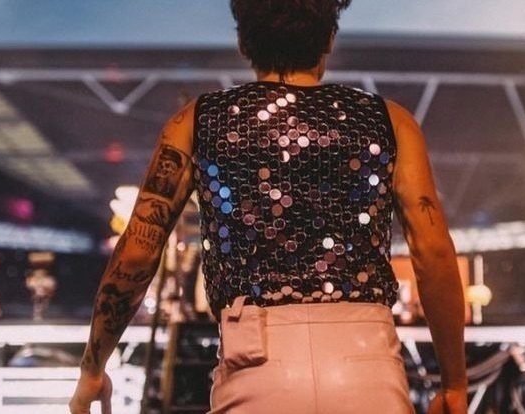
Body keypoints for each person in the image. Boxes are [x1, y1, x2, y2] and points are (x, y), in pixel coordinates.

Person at [69, 1, 467, 413]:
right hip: (369, 365)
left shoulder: (195, 122)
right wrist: (454, 382)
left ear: (244, 43)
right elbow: (433, 254)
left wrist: (93, 367)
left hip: (254, 364)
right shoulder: (391, 122)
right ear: (329, 40)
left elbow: (138, 252)